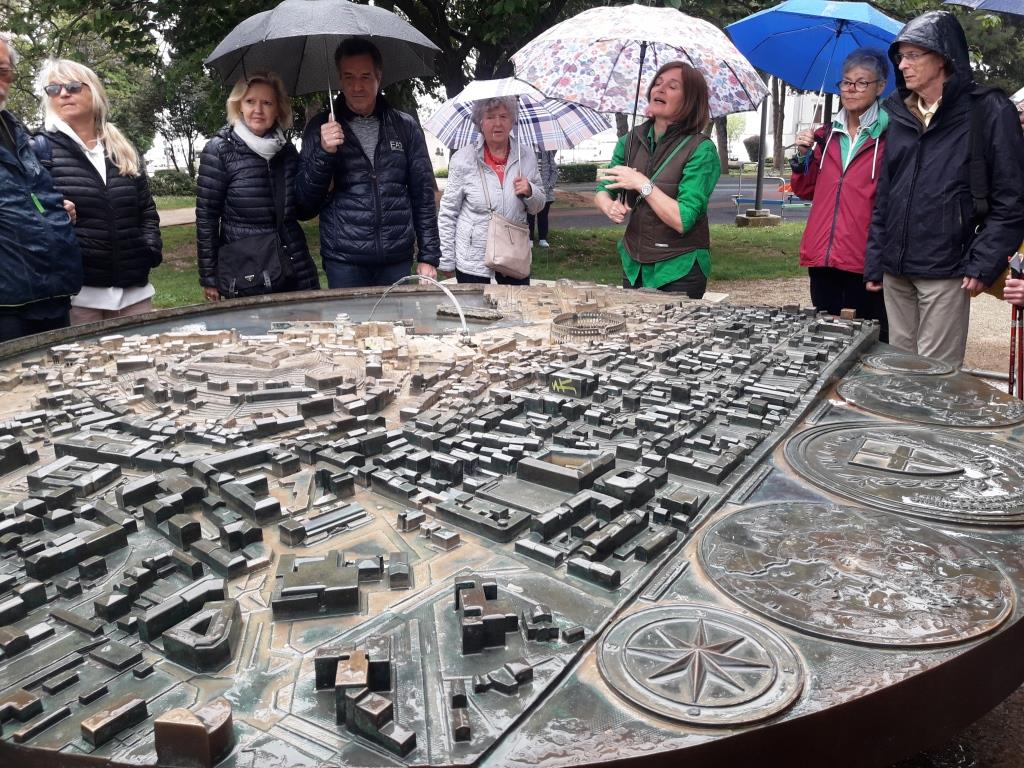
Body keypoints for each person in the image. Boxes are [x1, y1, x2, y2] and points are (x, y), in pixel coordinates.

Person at [864, 11, 1024, 367]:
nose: (902, 65)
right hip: (896, 269)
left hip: (948, 267)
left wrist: (983, 263)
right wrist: (876, 260)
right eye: (900, 56)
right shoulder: (899, 112)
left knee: (936, 378)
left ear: (942, 57)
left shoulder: (988, 109)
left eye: (912, 55)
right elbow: (886, 195)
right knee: (899, 371)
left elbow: (1012, 198)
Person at [297, 38, 440, 288]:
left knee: (399, 317)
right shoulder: (320, 129)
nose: (357, 86)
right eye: (349, 77)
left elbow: (423, 194)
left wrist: (428, 256)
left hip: (395, 259)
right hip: (344, 261)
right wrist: (324, 153)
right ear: (339, 79)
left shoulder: (404, 127)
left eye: (365, 77)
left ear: (378, 77)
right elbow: (303, 205)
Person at [35, 59, 161, 324]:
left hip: (134, 292)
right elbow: (30, 208)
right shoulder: (38, 150)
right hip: (78, 296)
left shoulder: (122, 148)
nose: (63, 93)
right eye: (54, 89)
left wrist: (149, 249)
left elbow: (146, 210)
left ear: (94, 91)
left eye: (72, 86)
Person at [594, 61, 720, 299]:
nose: (660, 89)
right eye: (658, 83)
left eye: (672, 86)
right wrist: (608, 205)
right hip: (634, 265)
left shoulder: (701, 150)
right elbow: (603, 189)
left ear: (690, 100)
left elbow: (683, 220)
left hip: (678, 268)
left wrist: (641, 183)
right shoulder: (630, 141)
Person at [790, 48, 889, 341]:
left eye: (861, 82)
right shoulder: (825, 135)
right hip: (823, 256)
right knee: (825, 339)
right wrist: (803, 155)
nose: (851, 89)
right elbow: (805, 190)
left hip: (864, 258)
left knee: (867, 340)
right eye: (846, 82)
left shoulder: (890, 135)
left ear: (880, 87)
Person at [197, 72, 320, 301]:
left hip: (292, 265)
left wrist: (323, 173)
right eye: (250, 101)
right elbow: (207, 218)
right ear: (239, 106)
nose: (258, 110)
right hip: (248, 270)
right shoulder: (220, 150)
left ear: (278, 109)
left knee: (305, 321)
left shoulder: (286, 151)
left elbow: (302, 210)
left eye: (267, 103)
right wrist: (209, 275)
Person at [0, 33, 81, 342]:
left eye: (3, 71)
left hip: (49, 292)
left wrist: (52, 210)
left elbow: (29, 192)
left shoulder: (14, 128)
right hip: (7, 304)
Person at [437, 97, 545, 285]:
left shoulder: (526, 156)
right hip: (473, 263)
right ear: (480, 122)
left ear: (512, 121)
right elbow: (448, 212)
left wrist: (530, 191)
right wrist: (446, 259)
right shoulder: (462, 159)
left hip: (514, 259)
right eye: (490, 117)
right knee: (475, 306)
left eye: (503, 116)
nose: (498, 123)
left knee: (515, 305)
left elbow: (538, 206)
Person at [527, 148, 557, 247]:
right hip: (530, 189)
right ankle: (529, 238)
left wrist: (549, 185)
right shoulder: (526, 151)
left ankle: (542, 239)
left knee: (543, 216)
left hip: (546, 191)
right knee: (529, 216)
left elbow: (554, 171)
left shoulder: (547, 152)